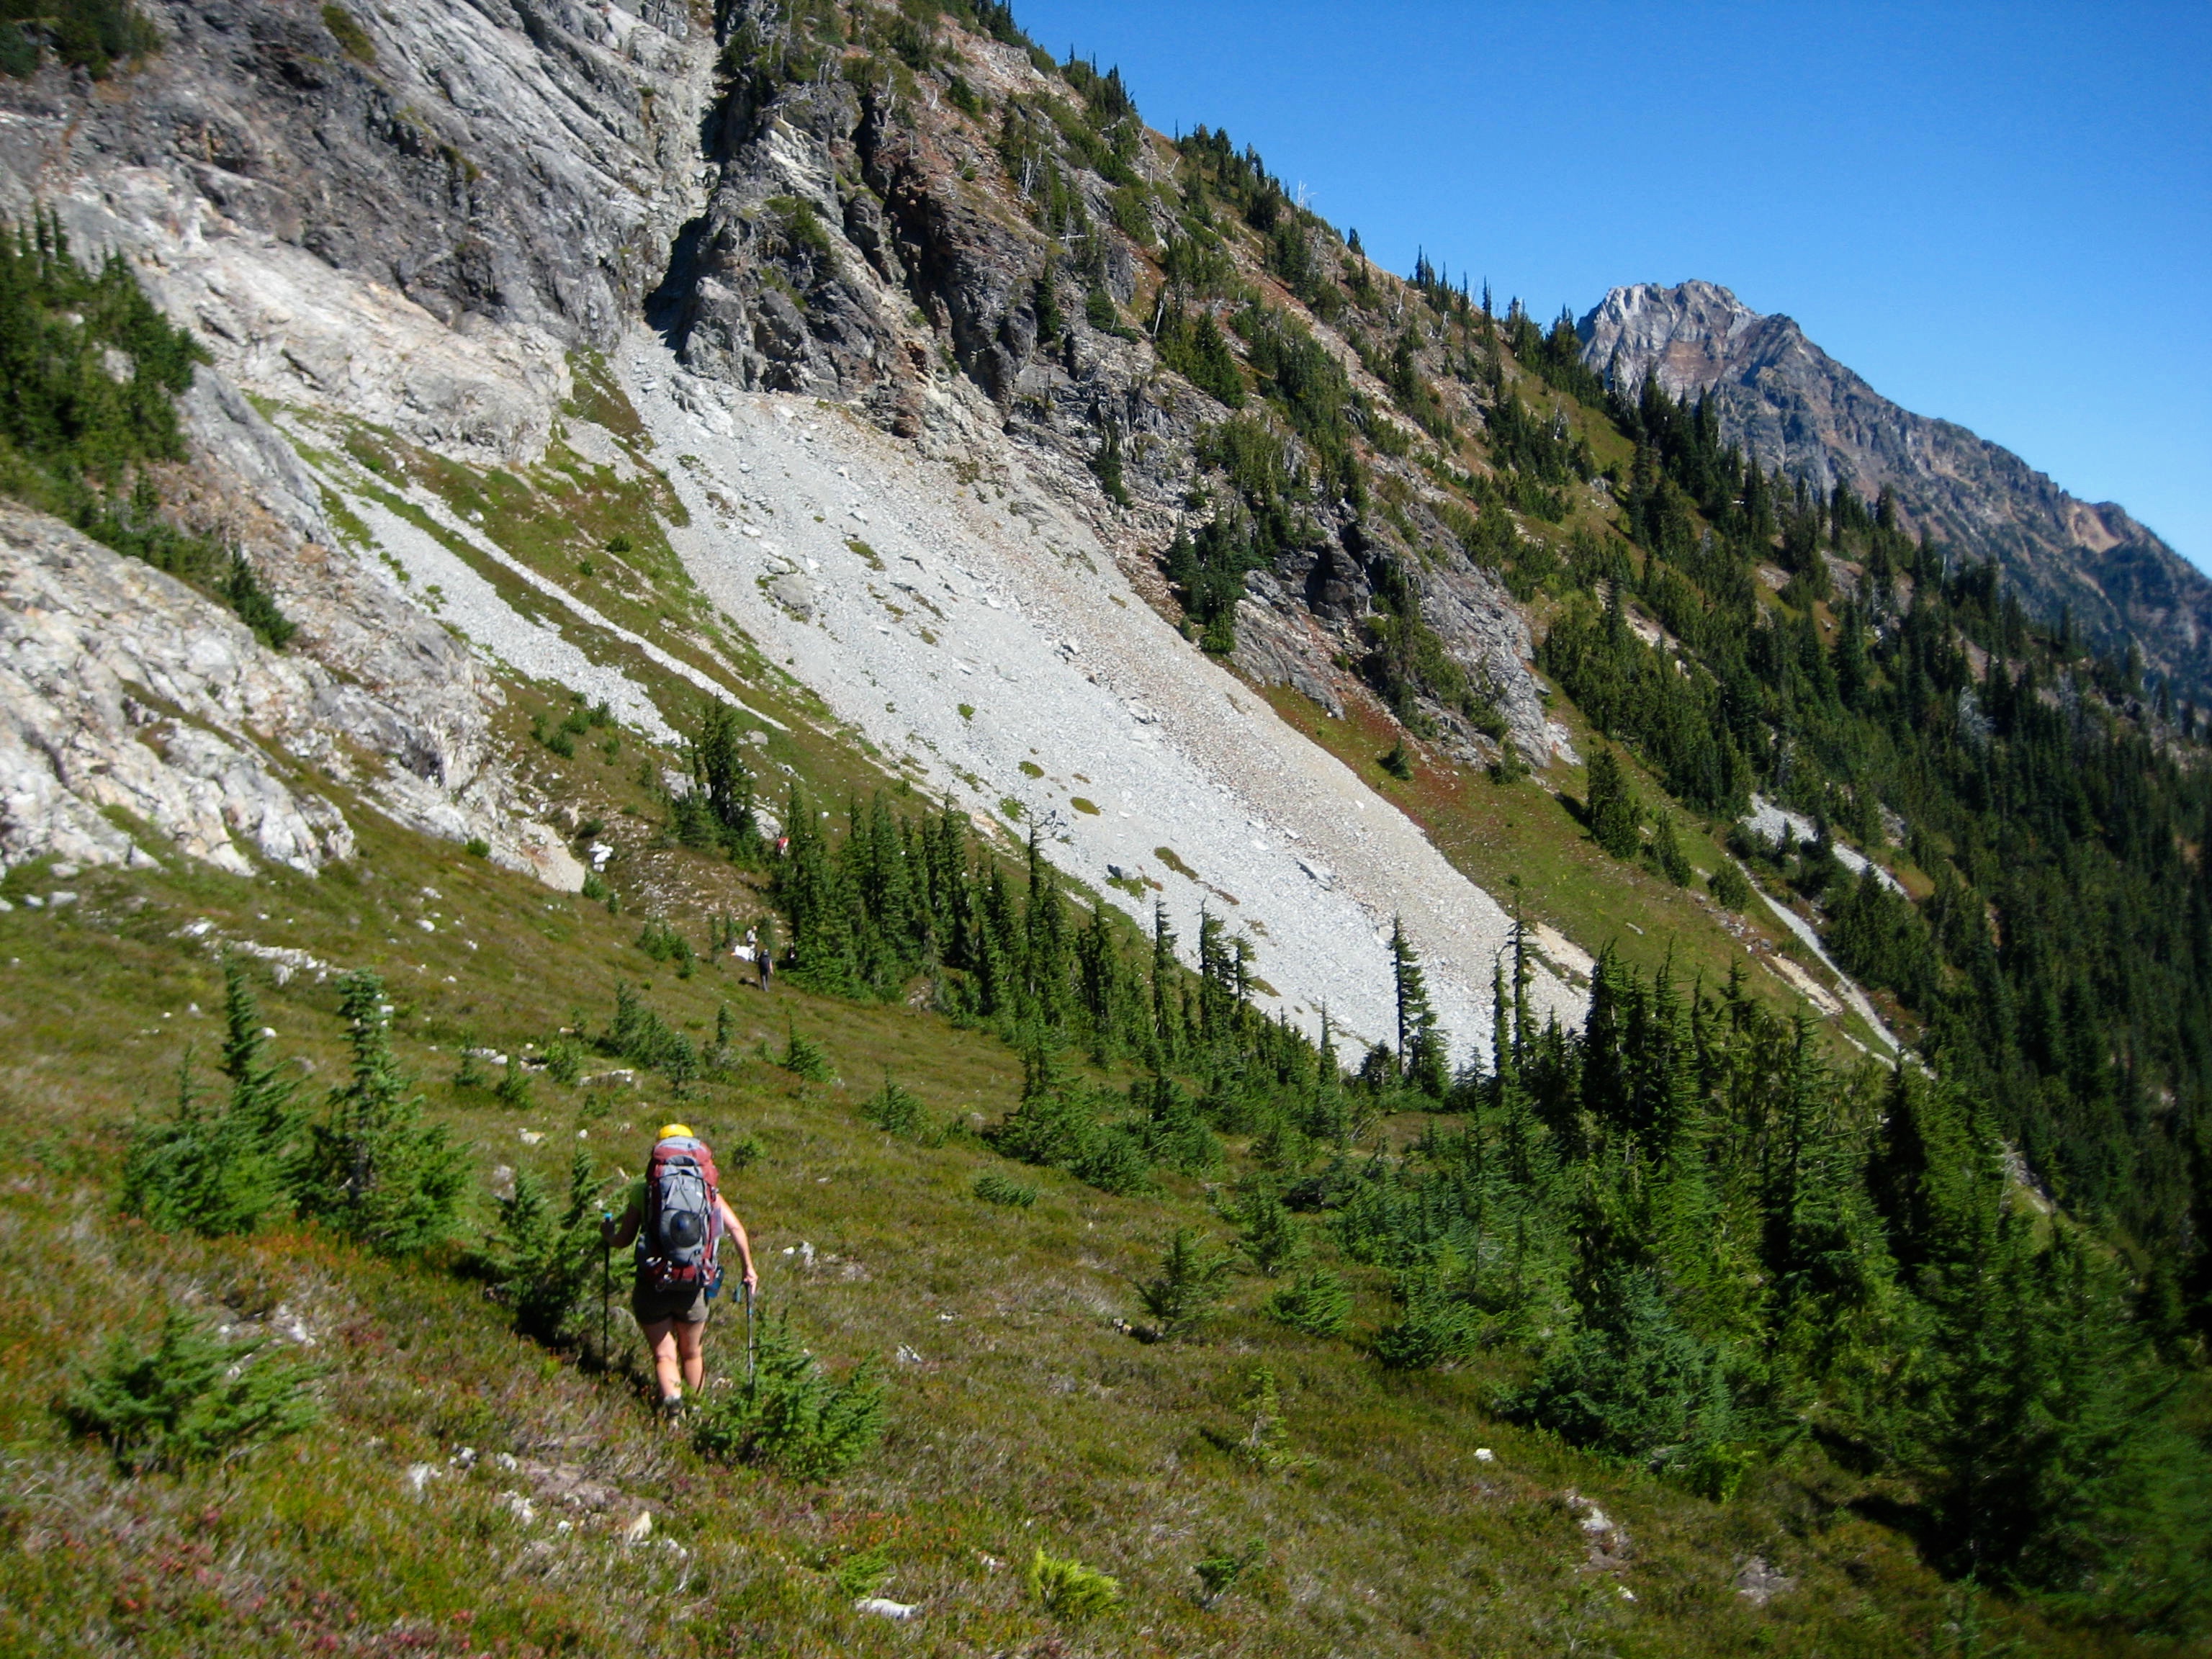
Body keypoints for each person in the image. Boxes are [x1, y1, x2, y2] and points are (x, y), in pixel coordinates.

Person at [601, 1124, 758, 1416]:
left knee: (664, 1355)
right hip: (693, 1284)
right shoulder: (707, 1189)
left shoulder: (644, 1189)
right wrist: (749, 1269)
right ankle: (695, 1409)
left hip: (654, 1283)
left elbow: (623, 1240)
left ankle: (674, 1413)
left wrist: (607, 1234)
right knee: (693, 1352)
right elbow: (736, 1228)